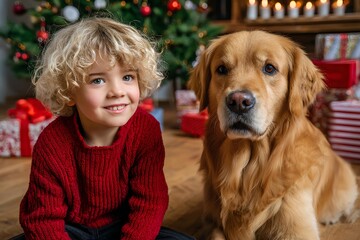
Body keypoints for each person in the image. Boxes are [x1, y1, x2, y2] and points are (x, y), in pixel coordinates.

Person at [13, 17, 195, 240]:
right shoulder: (52, 143)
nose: (117, 91)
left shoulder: (145, 130)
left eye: (127, 77)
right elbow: (43, 219)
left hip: (123, 226)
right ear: (69, 92)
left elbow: (150, 202)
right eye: (98, 80)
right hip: (70, 229)